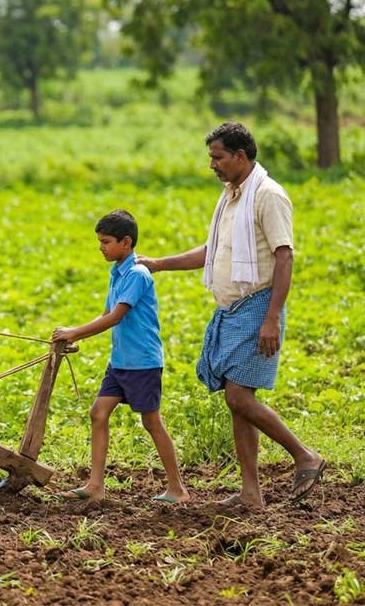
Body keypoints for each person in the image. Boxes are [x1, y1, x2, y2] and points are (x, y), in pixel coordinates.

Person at [137, 122, 325, 509]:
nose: (212, 165)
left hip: (257, 306)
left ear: (240, 157)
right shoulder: (232, 196)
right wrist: (160, 263)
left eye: (218, 157)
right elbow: (213, 249)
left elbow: (284, 256)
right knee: (237, 398)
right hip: (232, 309)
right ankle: (251, 493)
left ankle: (305, 455)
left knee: (239, 398)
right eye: (211, 157)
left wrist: (272, 318)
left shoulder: (268, 196)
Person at [52, 209, 190, 504]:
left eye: (105, 242)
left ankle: (177, 488)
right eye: (100, 241)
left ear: (125, 242)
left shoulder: (137, 275)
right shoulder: (116, 272)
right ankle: (95, 485)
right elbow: (105, 314)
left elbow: (116, 317)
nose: (100, 247)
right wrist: (77, 337)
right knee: (98, 413)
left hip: (142, 362)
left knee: (151, 422)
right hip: (120, 362)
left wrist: (73, 332)